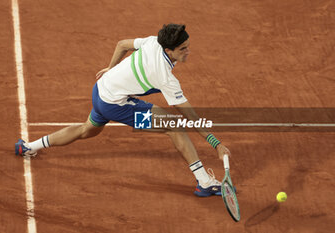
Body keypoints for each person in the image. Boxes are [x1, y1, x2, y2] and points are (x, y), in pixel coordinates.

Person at [15, 24, 231, 197]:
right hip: (115, 105)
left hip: (101, 90)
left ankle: (27, 147)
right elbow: (189, 115)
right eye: (183, 48)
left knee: (86, 130)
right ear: (168, 50)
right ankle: (204, 181)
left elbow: (122, 44)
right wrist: (215, 143)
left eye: (187, 46)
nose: (188, 51)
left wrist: (110, 69)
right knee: (174, 127)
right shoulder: (165, 77)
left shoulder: (152, 42)